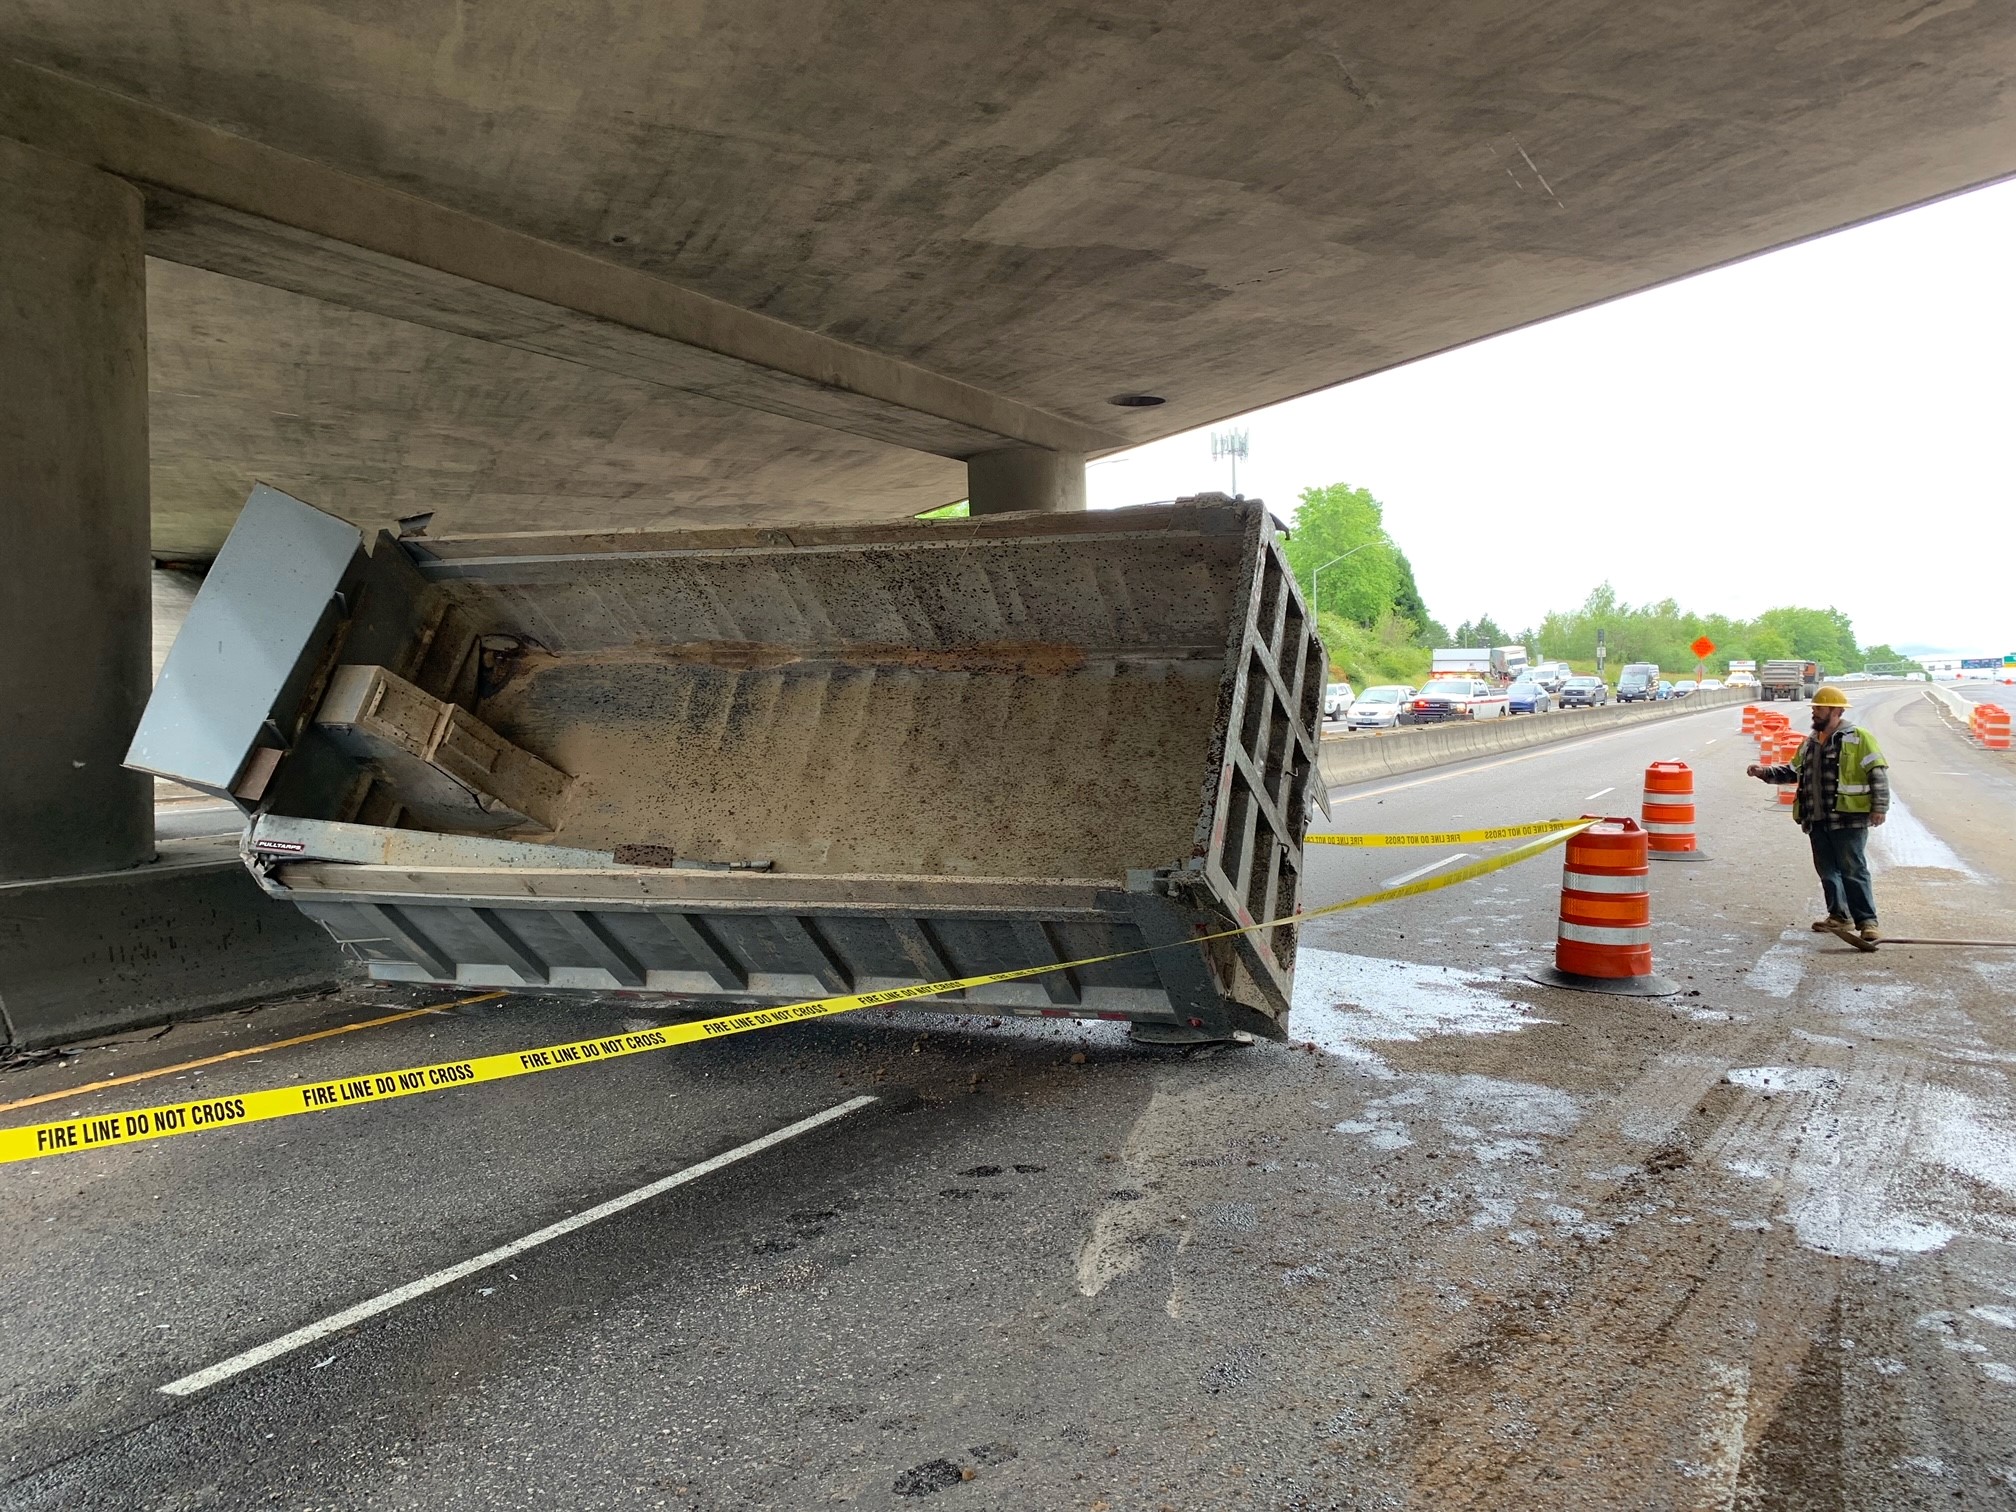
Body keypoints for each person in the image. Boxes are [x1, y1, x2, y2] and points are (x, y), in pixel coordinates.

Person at [1746, 685, 1889, 947]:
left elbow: (1877, 773)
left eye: (1819, 708)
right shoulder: (1810, 741)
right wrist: (1762, 772)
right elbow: (1791, 772)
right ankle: (1839, 916)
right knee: (1828, 872)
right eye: (1814, 708)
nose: (1814, 712)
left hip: (1848, 817)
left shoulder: (1859, 738)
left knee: (1853, 869)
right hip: (1817, 818)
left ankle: (1868, 923)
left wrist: (1879, 807)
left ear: (1835, 711)